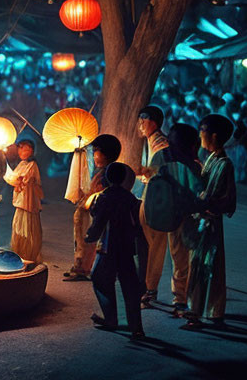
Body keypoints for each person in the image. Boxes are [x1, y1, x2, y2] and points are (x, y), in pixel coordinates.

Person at [141, 123, 204, 311]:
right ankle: (167, 294)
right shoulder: (188, 162)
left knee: (175, 256)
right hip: (169, 212)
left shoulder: (178, 160)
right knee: (170, 255)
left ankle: (175, 296)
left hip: (171, 213)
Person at [182, 114, 236, 329]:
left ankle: (201, 311)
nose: (199, 134)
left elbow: (225, 198)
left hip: (210, 221)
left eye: (202, 130)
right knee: (202, 264)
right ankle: (206, 310)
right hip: (203, 219)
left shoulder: (224, 164)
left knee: (206, 265)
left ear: (213, 135)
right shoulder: (211, 159)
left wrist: (203, 203)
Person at [85, 162, 144, 339]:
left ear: (108, 178)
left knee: (100, 279)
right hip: (126, 246)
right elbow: (137, 224)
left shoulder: (103, 197)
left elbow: (99, 221)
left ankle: (111, 318)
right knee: (130, 286)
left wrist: (90, 236)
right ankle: (137, 327)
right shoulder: (130, 198)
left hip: (108, 246)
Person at [65, 134, 121, 281]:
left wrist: (86, 202)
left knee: (88, 241)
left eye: (96, 152)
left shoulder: (106, 175)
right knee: (81, 240)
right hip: (87, 212)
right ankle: (80, 266)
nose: (94, 156)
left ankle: (83, 268)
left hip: (92, 214)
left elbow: (99, 196)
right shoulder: (100, 172)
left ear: (105, 154)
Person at [133, 105, 169, 306]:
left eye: (143, 120)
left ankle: (150, 289)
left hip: (157, 202)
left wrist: (145, 172)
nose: (140, 125)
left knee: (155, 246)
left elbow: (158, 172)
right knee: (148, 246)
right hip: (148, 198)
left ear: (153, 123)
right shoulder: (150, 143)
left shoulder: (161, 145)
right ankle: (146, 287)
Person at [3, 134, 44, 263]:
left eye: (25, 149)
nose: (21, 151)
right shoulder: (22, 164)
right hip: (21, 202)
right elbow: (13, 178)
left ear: (31, 150)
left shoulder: (32, 165)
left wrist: (7, 169)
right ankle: (20, 252)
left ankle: (28, 254)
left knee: (27, 228)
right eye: (20, 148)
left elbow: (17, 180)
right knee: (18, 227)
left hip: (28, 203)